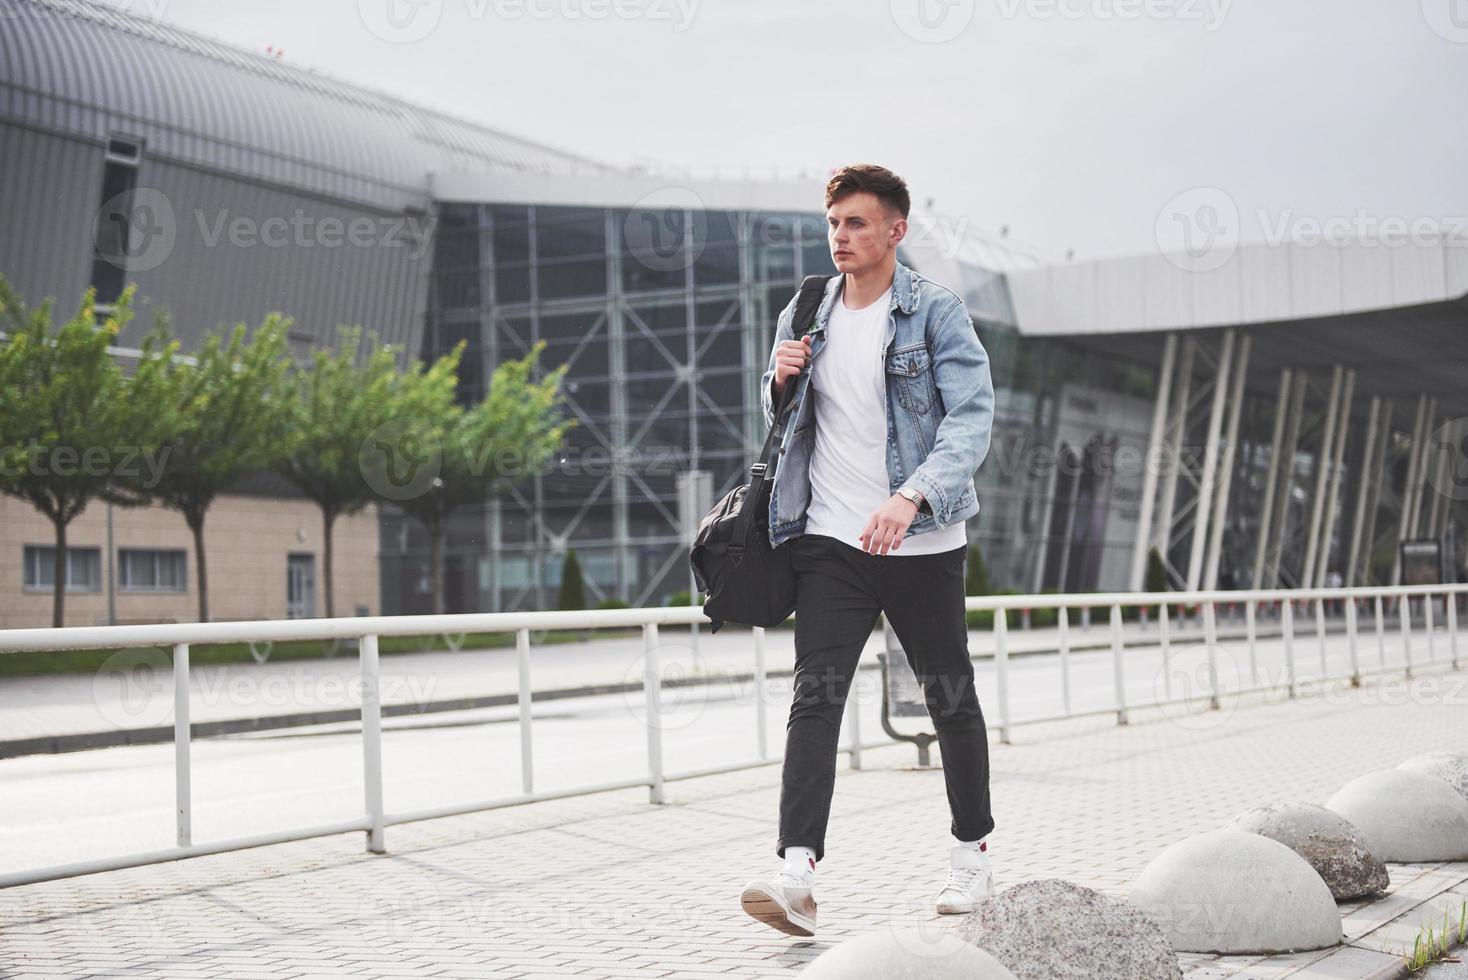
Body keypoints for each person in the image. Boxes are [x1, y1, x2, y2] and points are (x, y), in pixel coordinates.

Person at [738, 164, 997, 938]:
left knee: (949, 697)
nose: (842, 238)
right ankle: (795, 874)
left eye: (857, 223)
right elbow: (783, 416)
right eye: (834, 224)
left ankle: (971, 859)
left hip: (920, 540)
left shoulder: (935, 312)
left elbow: (971, 419)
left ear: (895, 230)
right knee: (814, 699)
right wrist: (778, 382)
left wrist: (911, 494)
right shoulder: (808, 306)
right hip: (829, 540)